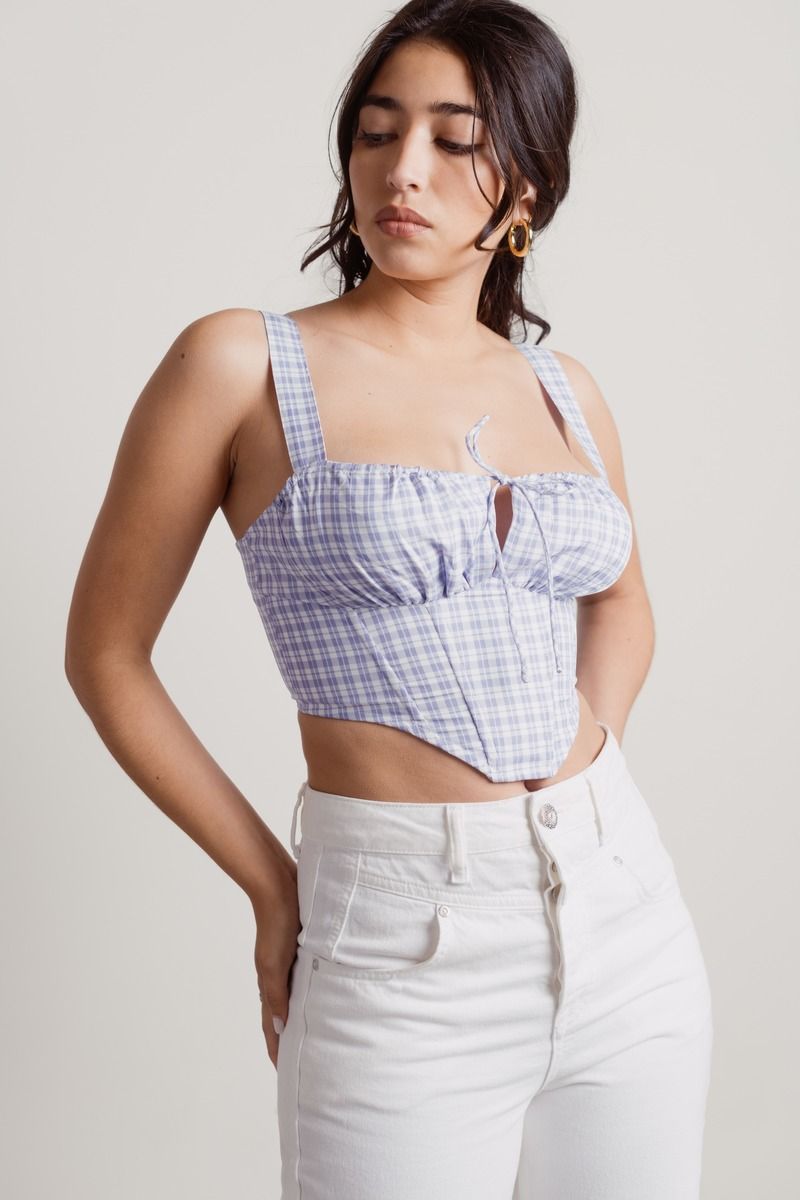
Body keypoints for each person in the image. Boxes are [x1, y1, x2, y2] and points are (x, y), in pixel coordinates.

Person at [65, 1, 714, 1196]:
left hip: (625, 919)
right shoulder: (241, 363)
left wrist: (588, 763)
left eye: (454, 140)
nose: (402, 170)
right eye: (375, 132)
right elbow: (105, 656)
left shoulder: (562, 389)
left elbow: (623, 605)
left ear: (525, 189)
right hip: (397, 940)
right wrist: (272, 883)